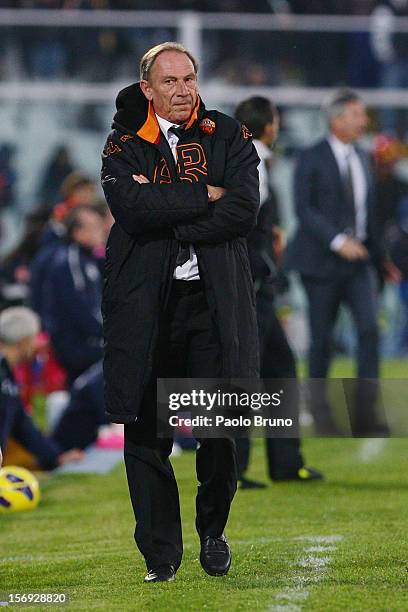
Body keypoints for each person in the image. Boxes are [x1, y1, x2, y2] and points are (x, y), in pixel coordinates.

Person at [101, 42, 260, 583]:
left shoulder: (229, 133)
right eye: (170, 82)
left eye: (189, 78)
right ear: (147, 89)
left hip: (212, 304)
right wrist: (203, 195)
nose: (182, 90)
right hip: (147, 306)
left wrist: (165, 213)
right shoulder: (124, 141)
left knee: (219, 429)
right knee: (146, 434)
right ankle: (161, 556)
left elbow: (243, 210)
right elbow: (128, 208)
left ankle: (213, 531)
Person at [234, 96, 323, 486]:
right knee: (245, 375)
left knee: (277, 369)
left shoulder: (246, 155)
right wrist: (265, 261)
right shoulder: (252, 159)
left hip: (255, 282)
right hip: (254, 284)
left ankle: (284, 463)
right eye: (276, 119)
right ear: (267, 124)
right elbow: (244, 219)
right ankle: (233, 469)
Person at [287, 89, 386, 435]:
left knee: (370, 330)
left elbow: (369, 214)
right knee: (321, 339)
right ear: (337, 119)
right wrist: (338, 240)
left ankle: (366, 412)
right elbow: (304, 209)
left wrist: (379, 258)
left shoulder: (363, 157)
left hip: (359, 263)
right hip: (320, 263)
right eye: (358, 114)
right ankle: (318, 411)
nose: (364, 121)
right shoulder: (311, 157)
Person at [0, 307, 83, 470]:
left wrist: (56, 456)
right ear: (24, 342)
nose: (37, 344)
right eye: (34, 338)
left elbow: (21, 425)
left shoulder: (8, 376)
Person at [46, 205, 105, 383]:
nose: (101, 230)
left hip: (88, 342)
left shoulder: (87, 259)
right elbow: (80, 308)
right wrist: (109, 333)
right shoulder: (70, 262)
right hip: (77, 348)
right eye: (94, 226)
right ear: (77, 232)